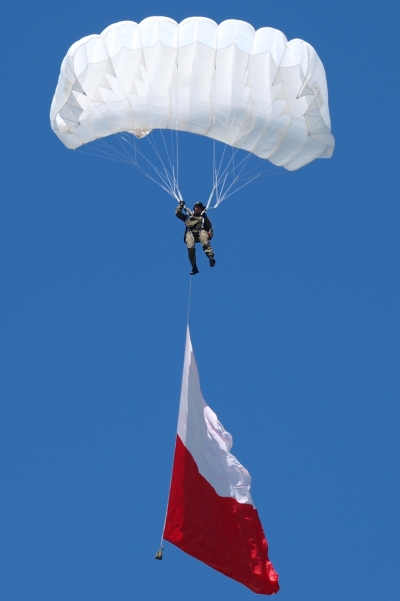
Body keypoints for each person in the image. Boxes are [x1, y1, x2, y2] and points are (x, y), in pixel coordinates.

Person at [175, 200, 216, 275]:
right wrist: (181, 204)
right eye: (196, 207)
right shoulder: (188, 217)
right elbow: (178, 213)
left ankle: (210, 257)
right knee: (191, 247)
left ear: (201, 209)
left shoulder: (203, 218)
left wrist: (210, 235)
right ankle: (194, 267)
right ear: (194, 208)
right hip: (190, 233)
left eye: (199, 207)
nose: (198, 208)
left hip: (201, 232)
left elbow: (210, 228)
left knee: (205, 242)